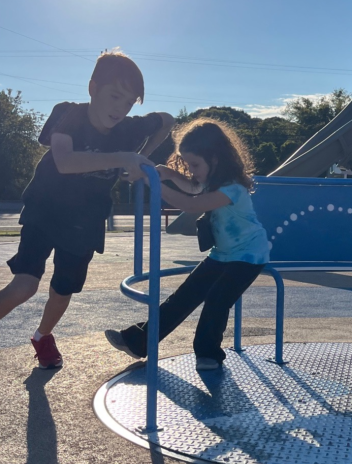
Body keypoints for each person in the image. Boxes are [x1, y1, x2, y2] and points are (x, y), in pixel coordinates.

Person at [0, 50, 174, 374]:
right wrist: (125, 157)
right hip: (47, 208)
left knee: (63, 290)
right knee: (25, 285)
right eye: (114, 96)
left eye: (129, 101)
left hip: (87, 220)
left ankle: (43, 336)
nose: (120, 108)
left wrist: (140, 158)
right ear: (93, 88)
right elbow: (65, 161)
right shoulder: (69, 115)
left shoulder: (130, 129)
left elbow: (167, 121)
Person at [105, 118, 269, 370]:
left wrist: (153, 182)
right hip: (223, 254)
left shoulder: (233, 188)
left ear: (215, 159)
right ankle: (137, 341)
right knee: (183, 297)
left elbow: (192, 204)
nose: (191, 170)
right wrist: (168, 173)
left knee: (217, 298)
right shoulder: (211, 182)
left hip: (248, 255)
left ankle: (208, 354)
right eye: (188, 164)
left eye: (195, 164)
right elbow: (193, 187)